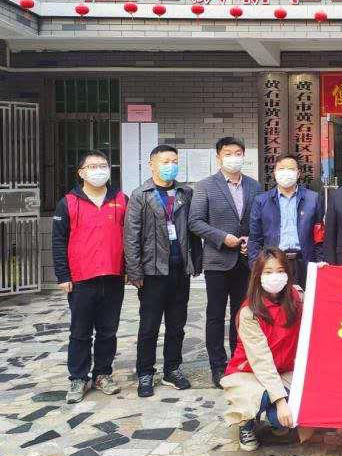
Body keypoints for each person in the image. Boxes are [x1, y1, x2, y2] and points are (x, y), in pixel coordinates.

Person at [125, 144, 202, 398]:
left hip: (180, 270)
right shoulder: (141, 195)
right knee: (149, 326)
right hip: (152, 272)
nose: (171, 166)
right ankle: (145, 372)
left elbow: (193, 230)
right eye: (165, 161)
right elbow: (131, 236)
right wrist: (134, 272)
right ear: (152, 164)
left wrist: (196, 261)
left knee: (177, 325)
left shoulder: (185, 193)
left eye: (174, 161)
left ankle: (172, 369)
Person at [52, 150, 127, 404]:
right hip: (81, 279)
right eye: (92, 166)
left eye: (103, 165)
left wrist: (130, 270)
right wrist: (63, 275)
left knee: (108, 331)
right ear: (81, 173)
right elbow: (58, 241)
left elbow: (130, 237)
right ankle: (78, 377)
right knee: (80, 331)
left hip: (113, 276)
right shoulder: (68, 202)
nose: (99, 170)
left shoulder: (121, 199)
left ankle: (103, 374)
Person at [189, 137, 262, 389]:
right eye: (228, 153)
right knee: (215, 315)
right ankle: (217, 365)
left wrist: (251, 240)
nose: (234, 157)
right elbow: (195, 222)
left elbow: (258, 220)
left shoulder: (254, 186)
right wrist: (223, 238)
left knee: (242, 314)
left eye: (238, 153)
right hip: (218, 261)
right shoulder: (205, 186)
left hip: (245, 261)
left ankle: (238, 360)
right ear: (218, 157)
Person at [221, 248, 301, 451]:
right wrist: (280, 402)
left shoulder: (296, 298)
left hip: (285, 370)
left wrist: (324, 274)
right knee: (263, 399)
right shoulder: (249, 311)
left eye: (280, 271)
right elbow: (261, 361)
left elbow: (321, 305)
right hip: (250, 372)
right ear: (258, 275)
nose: (275, 276)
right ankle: (246, 423)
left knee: (285, 418)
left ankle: (275, 417)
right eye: (268, 272)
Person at [249, 154, 325, 289]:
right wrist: (256, 266)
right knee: (277, 301)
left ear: (298, 173)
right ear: (275, 173)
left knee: (304, 300)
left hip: (305, 262)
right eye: (281, 168)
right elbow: (255, 239)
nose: (286, 172)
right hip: (274, 263)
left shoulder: (313, 199)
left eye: (291, 169)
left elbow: (319, 236)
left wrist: (320, 261)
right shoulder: (261, 201)